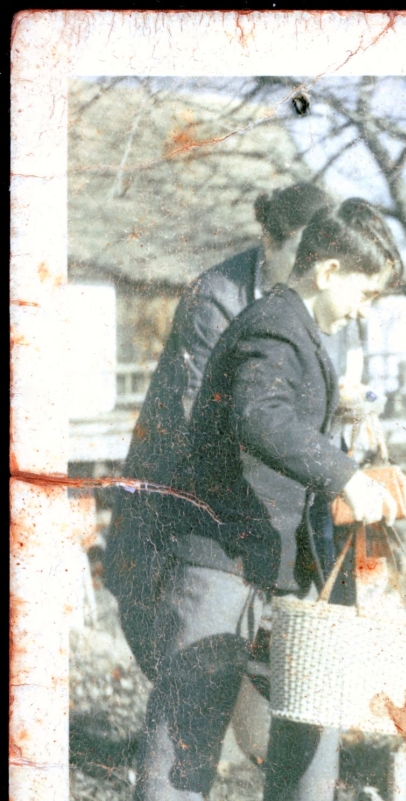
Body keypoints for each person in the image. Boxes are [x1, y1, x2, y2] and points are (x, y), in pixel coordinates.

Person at [114, 199, 406, 801]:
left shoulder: (299, 328)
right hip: (217, 552)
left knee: (308, 689)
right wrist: (345, 475)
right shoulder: (276, 324)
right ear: (330, 269)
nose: (365, 310)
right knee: (189, 718)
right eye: (365, 293)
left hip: (270, 554)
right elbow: (257, 414)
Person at [103, 182, 333, 681]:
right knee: (181, 646)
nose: (313, 266)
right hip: (178, 485)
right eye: (300, 252)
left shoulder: (318, 293)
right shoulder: (216, 298)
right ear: (269, 243)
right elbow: (210, 421)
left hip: (250, 499)